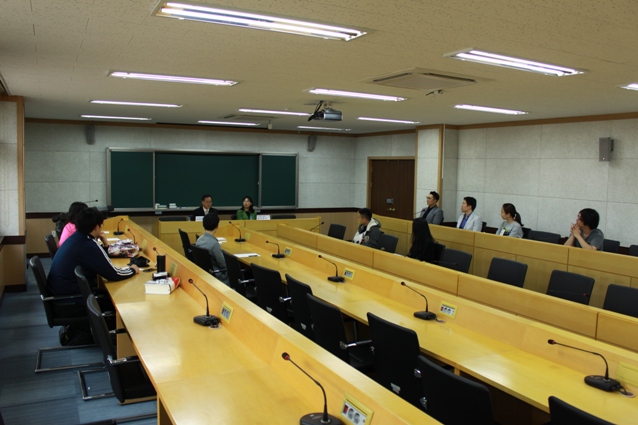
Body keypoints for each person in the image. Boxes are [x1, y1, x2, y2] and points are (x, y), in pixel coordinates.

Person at [47, 207, 139, 313]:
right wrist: (132, 269)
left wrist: (105, 245)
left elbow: (101, 260)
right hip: (71, 301)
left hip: (60, 296)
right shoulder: (87, 245)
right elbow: (114, 274)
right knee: (120, 303)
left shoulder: (77, 238)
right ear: (96, 227)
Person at [195, 213, 230, 286]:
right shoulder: (214, 244)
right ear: (217, 226)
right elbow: (223, 265)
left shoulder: (199, 239)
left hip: (205, 275)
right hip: (218, 277)